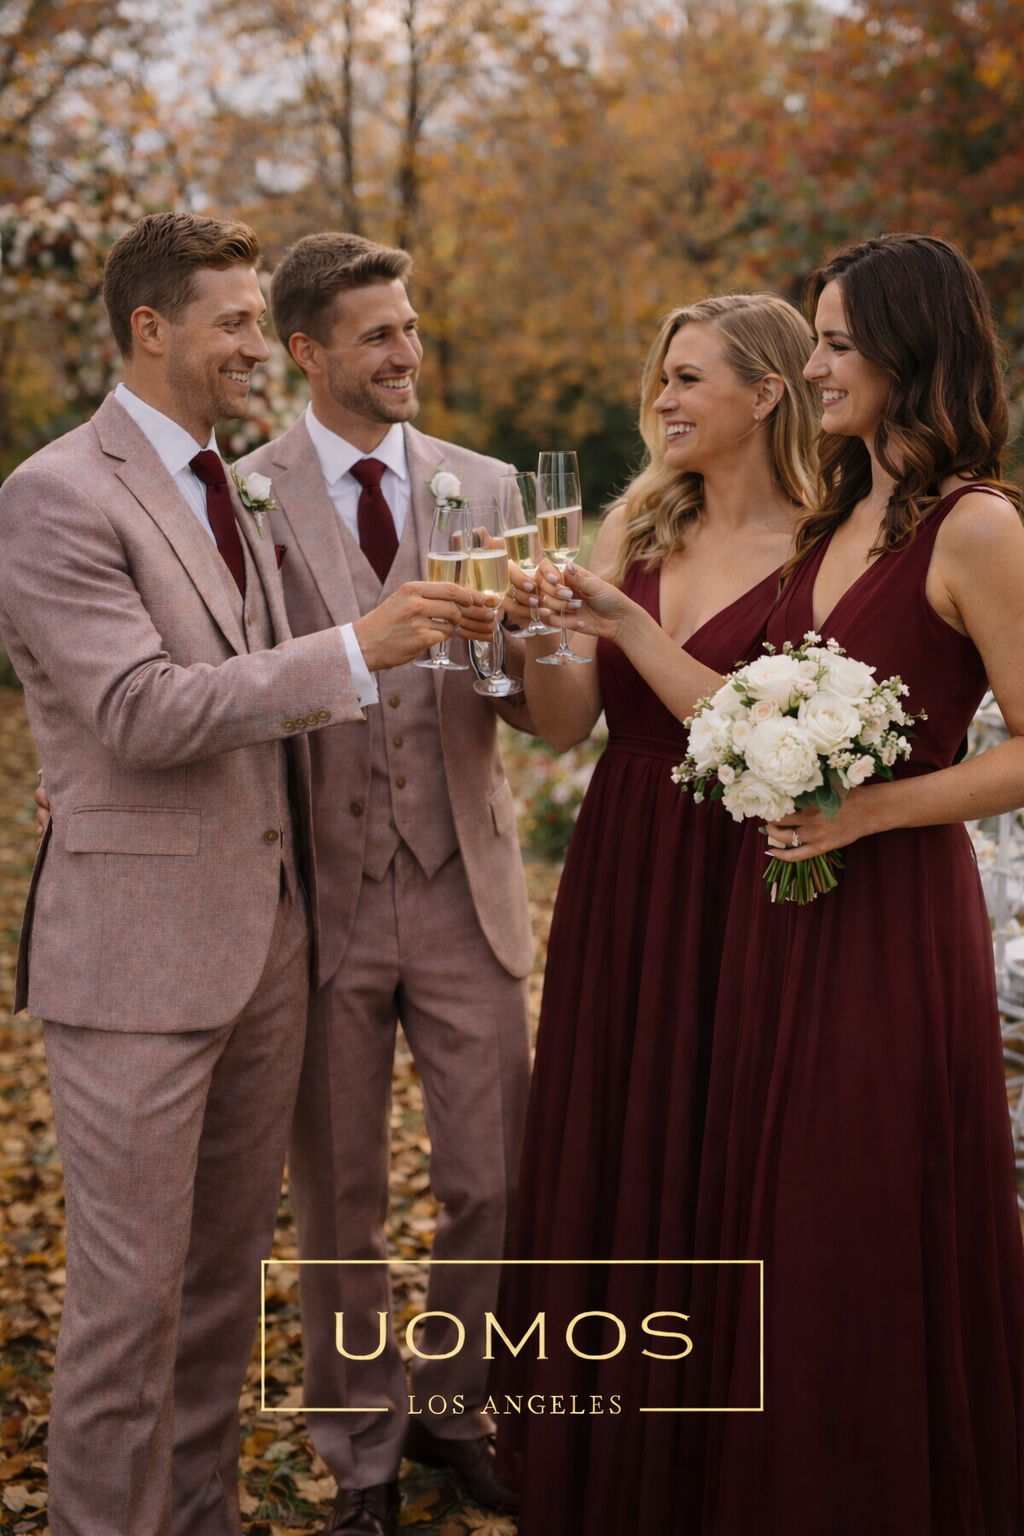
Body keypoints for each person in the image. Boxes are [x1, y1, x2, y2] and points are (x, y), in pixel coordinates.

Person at [0, 211, 481, 1536]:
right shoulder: (55, 494)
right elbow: (144, 711)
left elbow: (248, 690)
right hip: (137, 960)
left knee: (218, 1288)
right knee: (126, 1307)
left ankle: (201, 1513)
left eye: (262, 322)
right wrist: (356, 648)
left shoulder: (236, 484)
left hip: (266, 945)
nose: (259, 349)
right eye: (233, 322)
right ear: (150, 329)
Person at [546, 236, 1024, 1532]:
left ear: (906, 351)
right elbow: (742, 720)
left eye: (832, 343)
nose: (815, 365)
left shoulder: (977, 524)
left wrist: (872, 807)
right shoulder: (838, 522)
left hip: (894, 915)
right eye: (810, 341)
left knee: (846, 1217)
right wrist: (603, 624)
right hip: (788, 917)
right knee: (766, 1216)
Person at [494, 293, 822, 1532]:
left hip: (748, 875)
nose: (665, 400)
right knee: (618, 1136)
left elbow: (773, 739)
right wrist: (534, 637)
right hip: (625, 863)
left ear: (769, 394)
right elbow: (571, 724)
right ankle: (603, 1465)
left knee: (722, 1147)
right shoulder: (636, 522)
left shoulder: (829, 544)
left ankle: (713, 1468)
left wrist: (621, 623)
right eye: (661, 379)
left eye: (690, 379)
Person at [234, 233, 534, 1536]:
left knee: (495, 1179)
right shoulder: (239, 497)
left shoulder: (490, 486)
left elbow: (531, 692)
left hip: (468, 884)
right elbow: (225, 690)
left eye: (411, 329)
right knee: (340, 1197)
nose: (407, 354)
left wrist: (535, 646)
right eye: (377, 335)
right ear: (307, 352)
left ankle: (455, 1407)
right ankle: (359, 1449)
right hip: (322, 897)